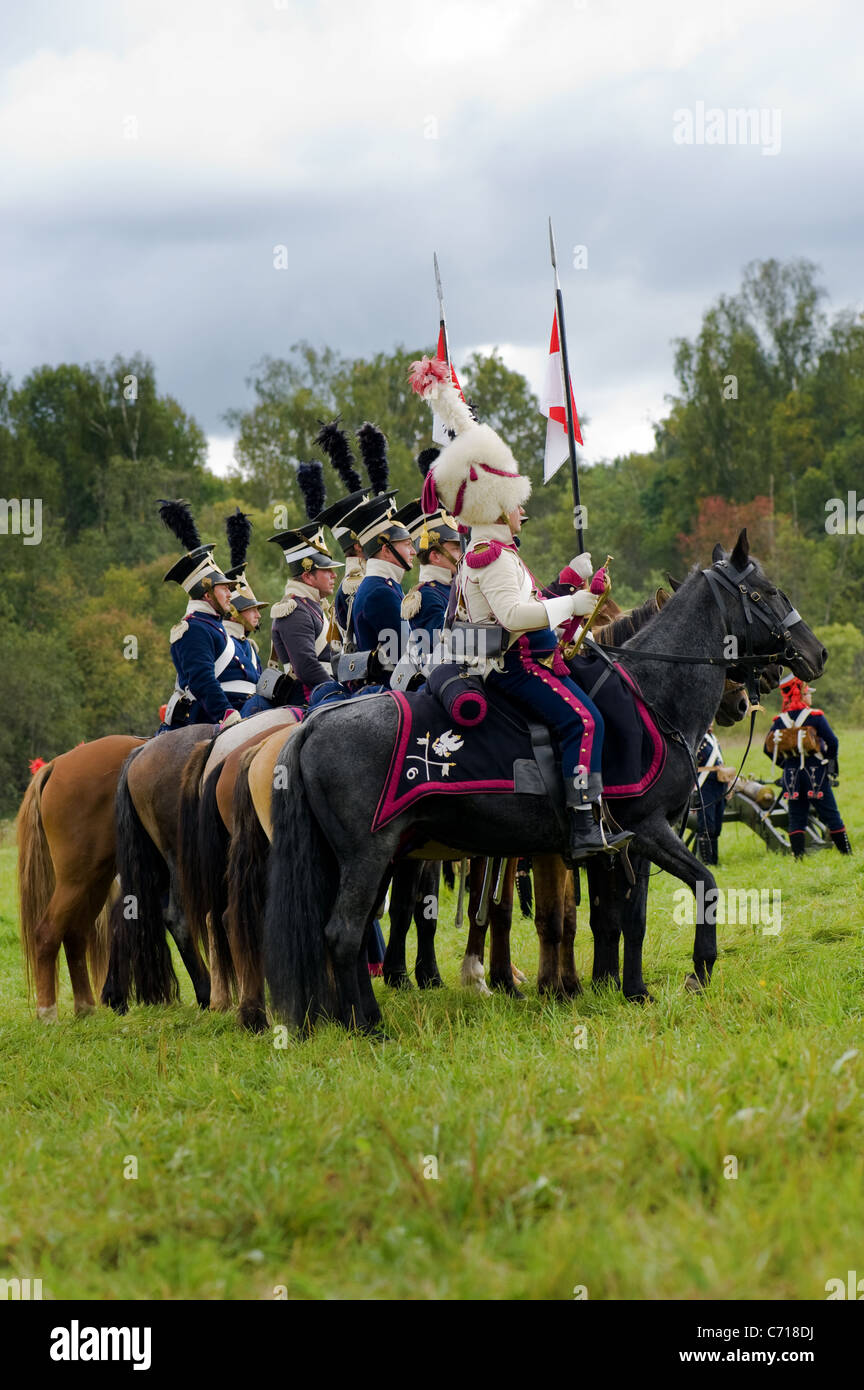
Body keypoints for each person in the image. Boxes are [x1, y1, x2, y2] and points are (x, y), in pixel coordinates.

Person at [409, 355, 631, 862]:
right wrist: (573, 601)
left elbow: (528, 606)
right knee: (587, 720)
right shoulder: (493, 555)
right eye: (516, 500)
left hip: (519, 659)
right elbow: (515, 618)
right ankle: (582, 823)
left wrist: (574, 589)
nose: (523, 509)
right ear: (496, 502)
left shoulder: (491, 552)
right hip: (517, 667)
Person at [158, 499, 244, 731]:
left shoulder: (212, 625)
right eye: (223, 588)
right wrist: (226, 712)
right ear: (206, 594)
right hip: (201, 721)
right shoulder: (193, 629)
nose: (229, 593)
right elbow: (201, 680)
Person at [765, 674, 851, 858]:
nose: (810, 696)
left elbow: (767, 749)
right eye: (808, 693)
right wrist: (827, 759)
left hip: (791, 776)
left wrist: (786, 765)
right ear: (802, 695)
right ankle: (847, 854)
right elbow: (833, 742)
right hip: (816, 773)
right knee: (831, 815)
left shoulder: (779, 721)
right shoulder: (815, 717)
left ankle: (799, 858)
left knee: (796, 817)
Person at [266, 523, 343, 705]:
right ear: (308, 576)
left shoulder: (311, 606)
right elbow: (305, 666)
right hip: (309, 698)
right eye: (327, 570)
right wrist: (339, 691)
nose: (334, 575)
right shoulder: (294, 610)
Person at [346, 494, 416, 654]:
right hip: (390, 679)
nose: (413, 551)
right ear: (386, 550)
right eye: (407, 545)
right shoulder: (380, 592)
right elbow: (403, 655)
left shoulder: (381, 585)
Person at [397, 497, 462, 643]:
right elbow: (444, 646)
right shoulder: (427, 596)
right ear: (435, 556)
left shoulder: (451, 587)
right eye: (456, 549)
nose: (461, 554)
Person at [693, 723, 732, 865]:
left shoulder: (713, 738)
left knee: (716, 827)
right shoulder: (696, 738)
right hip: (705, 785)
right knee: (707, 826)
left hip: (719, 784)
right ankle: (706, 862)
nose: (711, 722)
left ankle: (714, 861)